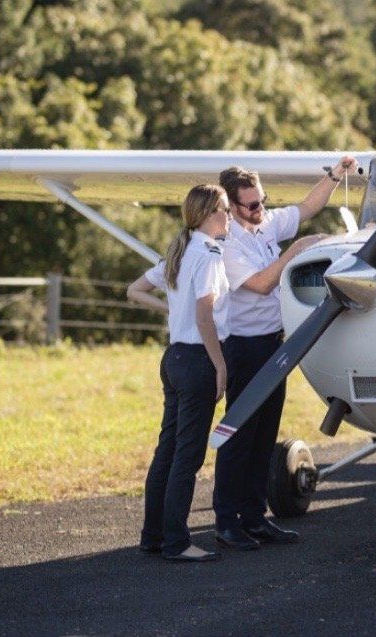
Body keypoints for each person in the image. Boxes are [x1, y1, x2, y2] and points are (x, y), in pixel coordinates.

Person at [212, 157, 355, 550]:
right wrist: (293, 253)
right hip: (244, 347)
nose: (260, 209)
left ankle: (254, 517)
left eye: (263, 200)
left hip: (274, 343)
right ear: (232, 207)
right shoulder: (228, 244)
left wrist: (335, 175)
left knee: (265, 434)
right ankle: (226, 521)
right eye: (251, 205)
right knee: (240, 434)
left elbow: (307, 208)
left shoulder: (264, 223)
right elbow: (260, 284)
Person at [126, 184, 231, 562]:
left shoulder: (181, 251)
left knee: (167, 450)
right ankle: (176, 542)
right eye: (224, 210)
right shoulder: (209, 255)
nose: (229, 216)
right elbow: (205, 316)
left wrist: (172, 310)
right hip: (198, 360)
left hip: (173, 358)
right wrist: (220, 364)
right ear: (207, 214)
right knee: (187, 456)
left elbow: (134, 290)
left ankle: (153, 536)